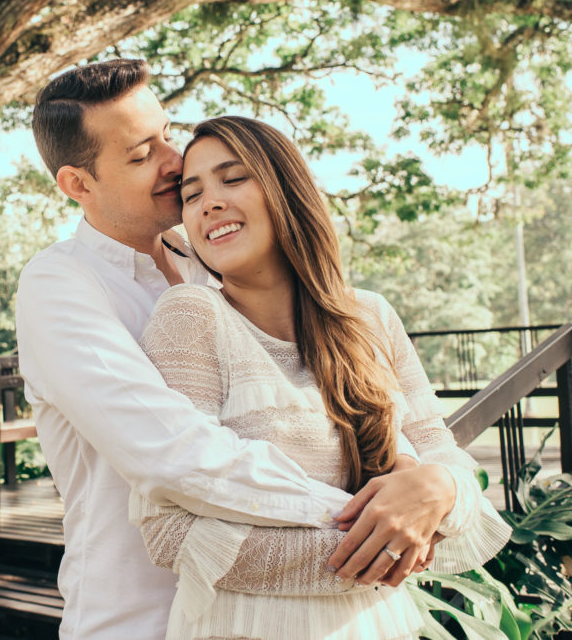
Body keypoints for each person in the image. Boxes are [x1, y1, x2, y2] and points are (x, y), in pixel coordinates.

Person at [16, 59, 457, 639]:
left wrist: (434, 486)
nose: (175, 163)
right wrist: (375, 520)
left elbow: (388, 427)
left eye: (167, 135)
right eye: (141, 154)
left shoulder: (213, 256)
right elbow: (174, 454)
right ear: (78, 184)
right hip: (136, 618)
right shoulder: (60, 286)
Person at [128, 116, 511, 639]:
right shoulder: (191, 315)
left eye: (233, 178)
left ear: (287, 189)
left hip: (379, 627)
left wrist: (438, 486)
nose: (208, 203)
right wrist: (380, 548)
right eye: (191, 195)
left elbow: (442, 453)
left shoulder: (371, 317)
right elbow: (167, 528)